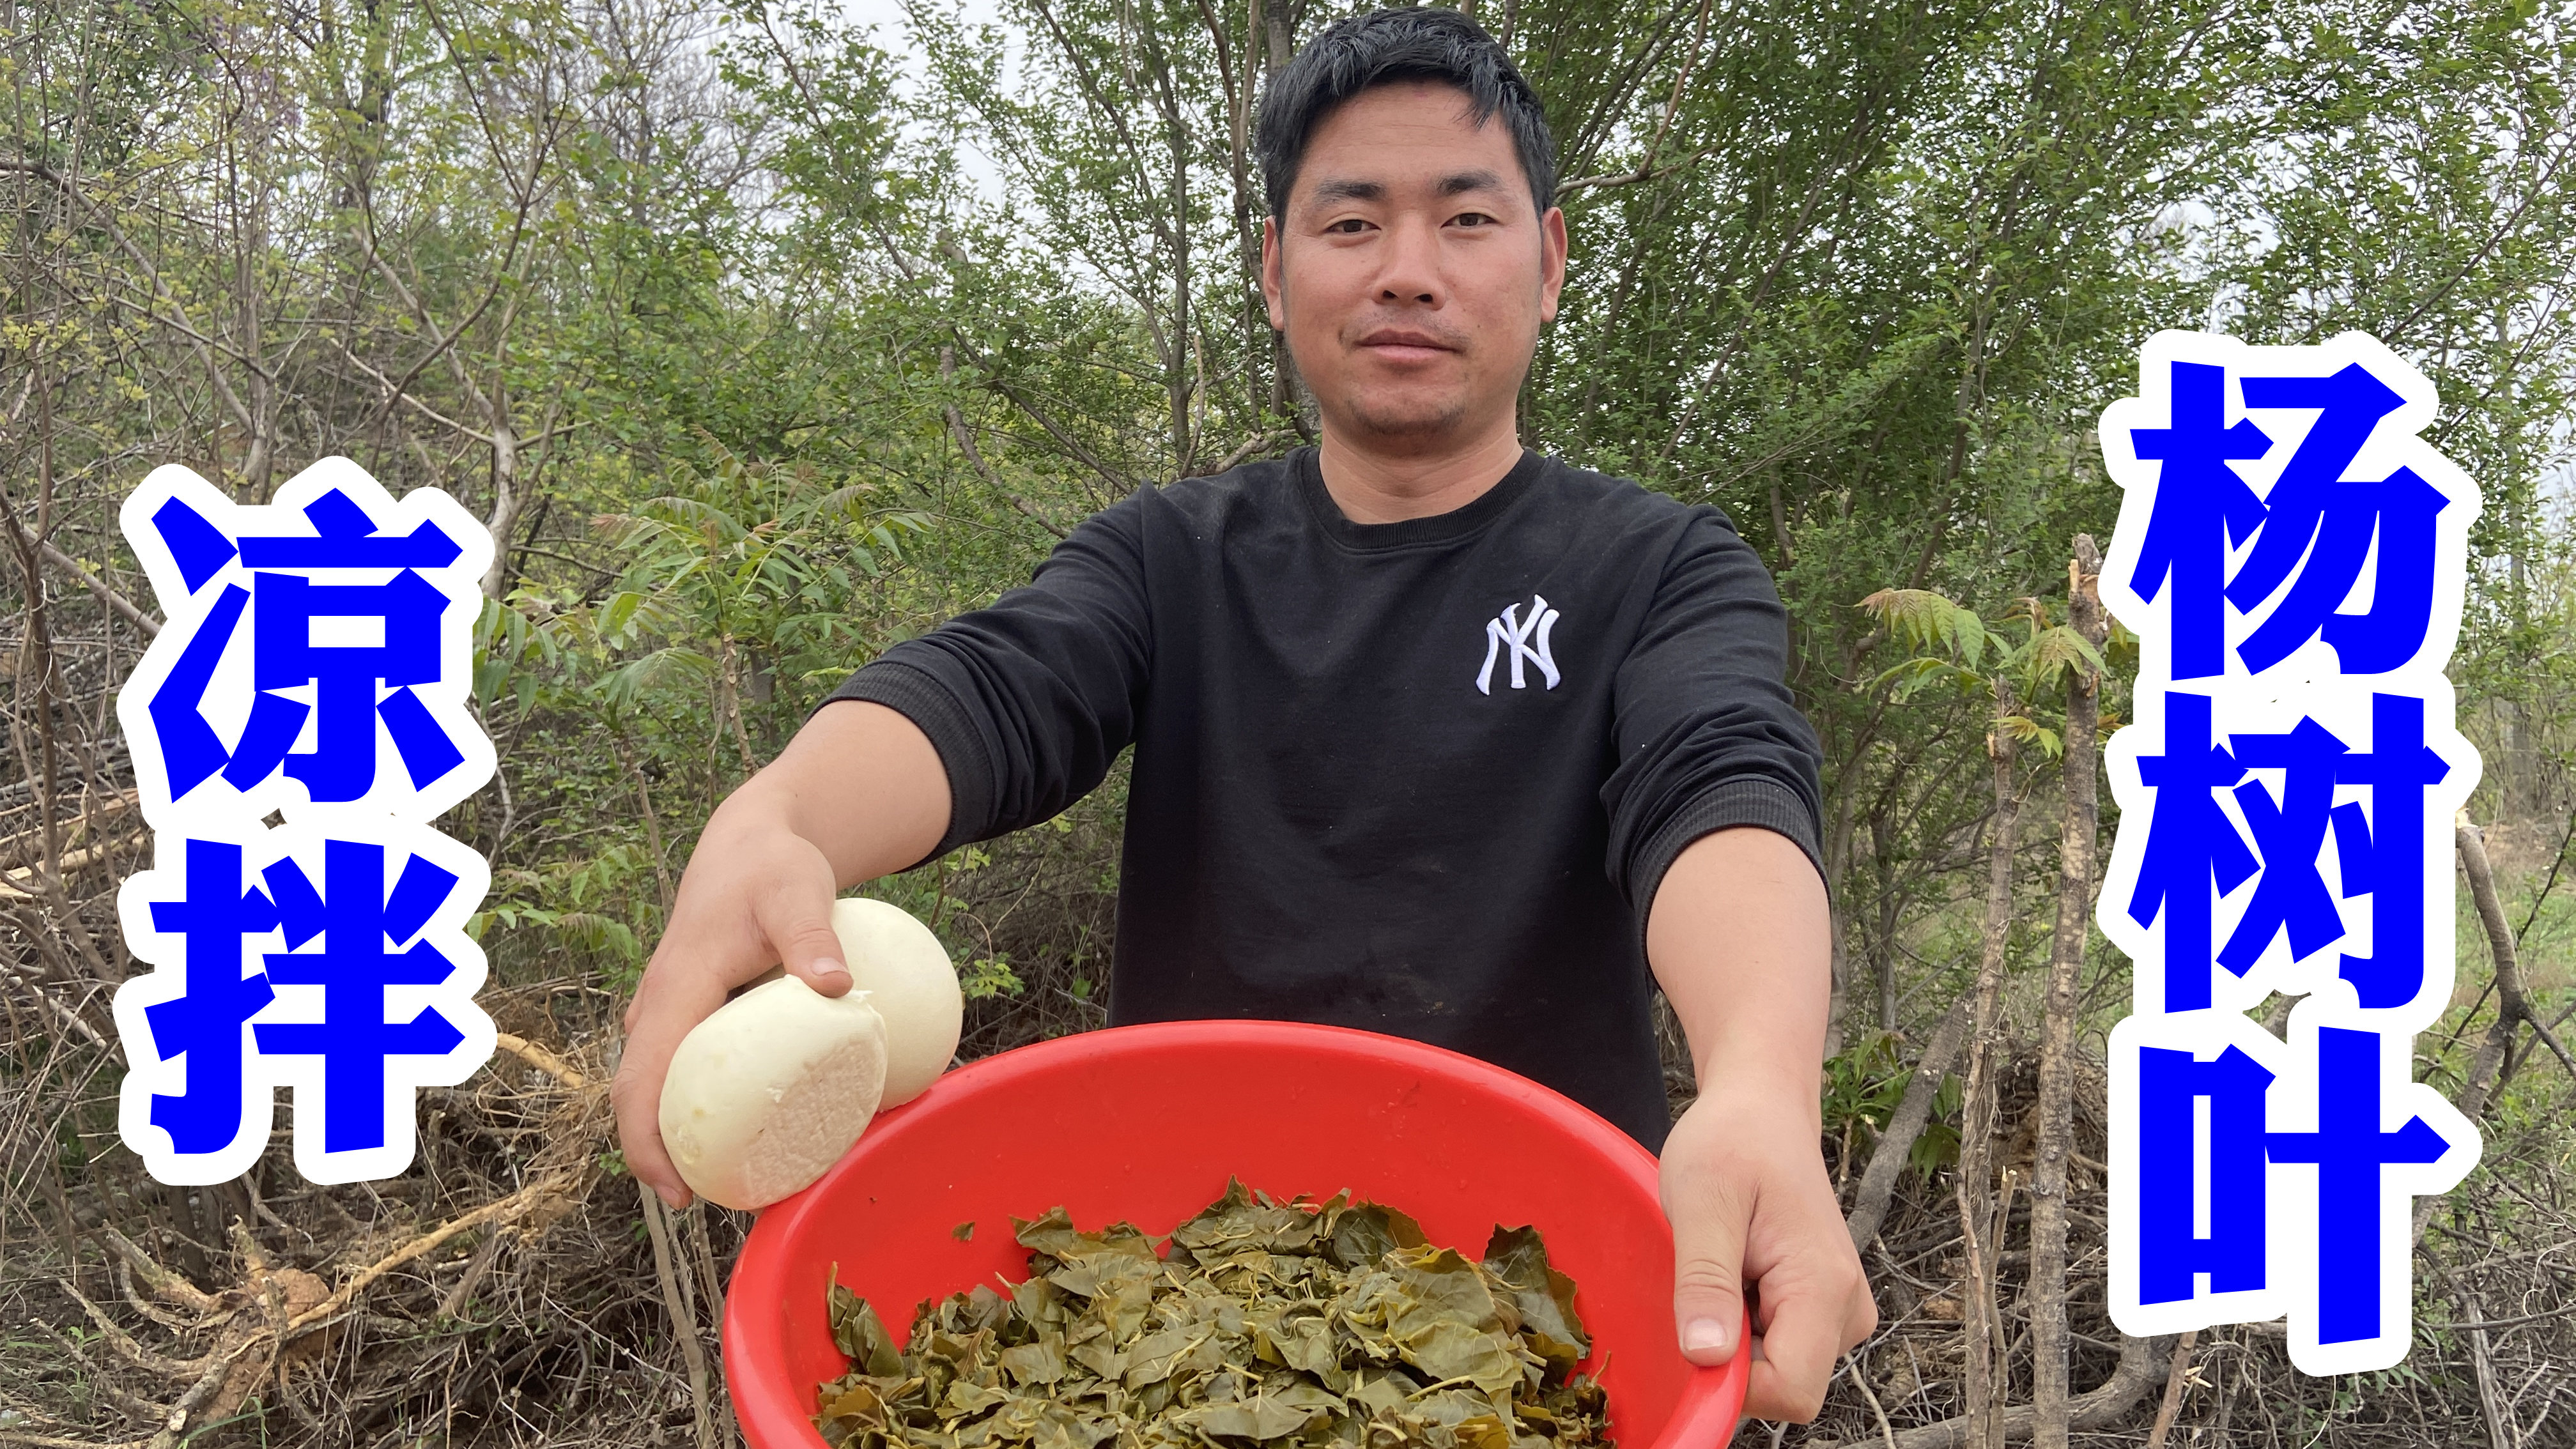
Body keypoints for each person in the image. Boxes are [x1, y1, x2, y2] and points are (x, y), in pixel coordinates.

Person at [611, 5, 1873, 1421]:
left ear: (1552, 261)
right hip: (1175, 1283)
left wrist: (1761, 1083)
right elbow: (992, 689)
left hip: (1555, 1317)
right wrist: (778, 817)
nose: (1408, 272)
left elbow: (1722, 781)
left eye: (1466, 220)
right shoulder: (1174, 560)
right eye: (1350, 225)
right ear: (1275, 274)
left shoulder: (1658, 570)